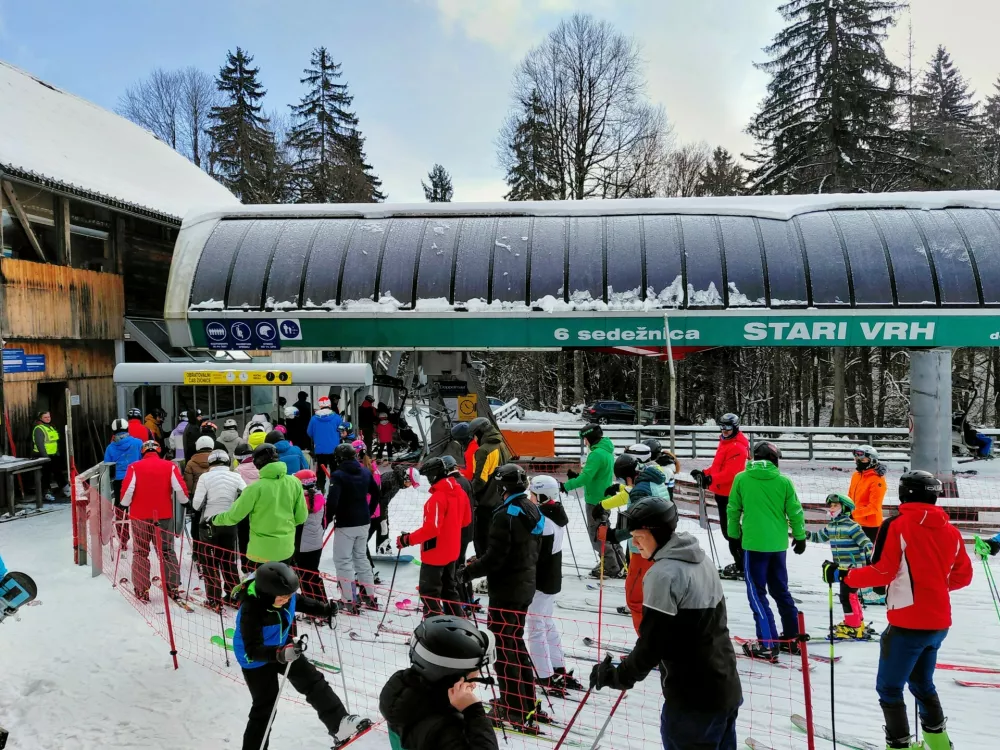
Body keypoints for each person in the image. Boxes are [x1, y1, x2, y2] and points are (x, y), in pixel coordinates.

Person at [589, 495, 743, 750]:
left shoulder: (663, 574)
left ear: (657, 533)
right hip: (724, 686)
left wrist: (618, 676)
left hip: (692, 700)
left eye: (639, 536)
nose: (635, 544)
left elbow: (652, 644)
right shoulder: (701, 559)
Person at [843, 471, 973, 750]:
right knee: (922, 683)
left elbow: (882, 571)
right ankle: (939, 744)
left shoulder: (897, 525)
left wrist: (847, 576)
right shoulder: (950, 530)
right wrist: (932, 587)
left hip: (907, 624)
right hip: (938, 623)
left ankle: (899, 746)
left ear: (905, 494)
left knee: (889, 688)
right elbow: (963, 576)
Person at [232, 562, 370, 750]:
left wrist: (325, 610)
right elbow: (252, 649)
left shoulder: (286, 597)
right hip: (256, 659)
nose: (287, 600)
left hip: (282, 646)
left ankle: (340, 725)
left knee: (313, 681)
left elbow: (303, 602)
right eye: (282, 597)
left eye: (289, 595)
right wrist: (278, 654)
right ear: (267, 593)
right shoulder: (251, 610)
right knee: (266, 706)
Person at [459, 464, 543, 732]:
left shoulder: (506, 514)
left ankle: (513, 706)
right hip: (524, 585)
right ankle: (524, 700)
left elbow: (496, 557)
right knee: (514, 643)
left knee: (504, 647)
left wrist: (468, 572)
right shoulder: (530, 507)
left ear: (502, 487)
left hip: (508, 589)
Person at [727, 442, 807, 661]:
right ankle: (791, 638)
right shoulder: (783, 481)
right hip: (778, 545)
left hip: (754, 545)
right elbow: (796, 512)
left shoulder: (742, 478)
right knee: (781, 590)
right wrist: (800, 537)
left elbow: (733, 509)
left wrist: (733, 536)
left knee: (757, 594)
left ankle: (767, 644)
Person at [380, 615, 500, 750]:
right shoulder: (447, 729)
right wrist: (474, 712)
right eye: (475, 672)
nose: (475, 683)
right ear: (454, 677)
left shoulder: (403, 694)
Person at [524, 475, 581, 697]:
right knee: (546, 623)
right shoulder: (555, 513)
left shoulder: (544, 522)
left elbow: (536, 554)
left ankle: (544, 674)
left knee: (536, 626)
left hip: (541, 579)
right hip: (551, 578)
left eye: (533, 494)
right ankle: (558, 668)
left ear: (542, 496)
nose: (530, 497)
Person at [601, 453, 669, 633]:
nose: (625, 484)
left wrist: (612, 535)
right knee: (655, 599)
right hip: (660, 546)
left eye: (624, 480)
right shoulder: (653, 478)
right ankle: (658, 648)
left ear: (630, 476)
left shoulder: (640, 490)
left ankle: (647, 652)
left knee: (636, 599)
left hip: (644, 550)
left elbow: (637, 521)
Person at [211, 444, 307, 569]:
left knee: (260, 587)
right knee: (281, 585)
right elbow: (301, 517)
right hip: (286, 549)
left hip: (260, 553)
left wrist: (214, 519)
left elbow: (233, 517)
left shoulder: (254, 489)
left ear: (257, 463)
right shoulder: (294, 482)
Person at [398, 457, 471, 617]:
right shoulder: (460, 492)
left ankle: (434, 627)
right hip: (452, 550)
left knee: (429, 592)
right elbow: (466, 520)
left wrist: (406, 540)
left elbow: (431, 529)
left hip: (435, 553)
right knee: (449, 589)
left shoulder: (437, 499)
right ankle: (457, 624)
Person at [120, 440, 188, 602]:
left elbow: (128, 489)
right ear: (159, 451)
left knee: (141, 551)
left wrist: (123, 504)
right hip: (163, 514)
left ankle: (142, 588)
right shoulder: (169, 466)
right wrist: (185, 501)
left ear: (143, 452)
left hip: (140, 515)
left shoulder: (134, 467)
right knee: (166, 550)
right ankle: (172, 586)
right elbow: (179, 487)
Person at [692, 413, 750, 580]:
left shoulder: (737, 447)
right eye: (722, 427)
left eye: (728, 427)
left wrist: (710, 479)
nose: (724, 431)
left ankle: (744, 565)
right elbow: (719, 467)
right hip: (722, 493)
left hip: (731, 495)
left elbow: (732, 473)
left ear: (735, 427)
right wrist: (704, 473)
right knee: (729, 532)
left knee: (731, 532)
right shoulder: (725, 443)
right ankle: (742, 563)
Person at [810, 493, 874, 640]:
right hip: (842, 568)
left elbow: (866, 542)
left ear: (845, 508)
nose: (832, 508)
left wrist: (871, 556)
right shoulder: (831, 526)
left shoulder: (851, 526)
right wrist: (800, 534)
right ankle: (856, 623)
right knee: (850, 596)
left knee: (847, 596)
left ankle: (853, 627)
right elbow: (817, 537)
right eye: (830, 506)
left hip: (853, 568)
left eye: (835, 505)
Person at [326, 443, 381, 612]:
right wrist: (369, 511)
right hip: (363, 521)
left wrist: (327, 519)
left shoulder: (338, 475)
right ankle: (370, 596)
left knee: (343, 561)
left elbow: (333, 501)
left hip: (346, 523)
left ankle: (349, 599)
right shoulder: (365, 471)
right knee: (361, 559)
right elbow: (377, 492)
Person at [562, 423, 619, 579]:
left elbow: (587, 477)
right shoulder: (606, 451)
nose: (585, 442)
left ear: (590, 438)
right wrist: (577, 477)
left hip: (595, 500)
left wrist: (566, 486)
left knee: (597, 535)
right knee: (605, 531)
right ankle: (617, 562)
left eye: (585, 439)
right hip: (604, 497)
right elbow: (594, 474)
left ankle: (609, 565)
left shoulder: (596, 454)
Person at [191, 449, 246, 608]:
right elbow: (246, 495)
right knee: (228, 561)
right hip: (230, 523)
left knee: (209, 562)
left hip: (209, 524)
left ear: (210, 463)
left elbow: (196, 505)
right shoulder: (236, 476)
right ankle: (234, 596)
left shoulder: (205, 477)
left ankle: (214, 599)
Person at [468, 416, 513, 557]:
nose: (474, 439)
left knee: (481, 536)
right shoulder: (502, 445)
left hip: (486, 502)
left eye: (474, 435)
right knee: (498, 535)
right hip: (502, 498)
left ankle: (484, 563)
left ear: (480, 432)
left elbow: (480, 480)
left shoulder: (483, 450)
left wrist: (468, 492)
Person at [104, 418, 143, 550]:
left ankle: (123, 540)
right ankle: (142, 539)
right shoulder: (138, 443)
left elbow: (107, 466)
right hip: (136, 478)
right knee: (139, 509)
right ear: (127, 429)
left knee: (121, 511)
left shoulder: (110, 447)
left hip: (119, 481)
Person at [293, 469, 328, 602]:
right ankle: (323, 604)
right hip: (316, 542)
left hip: (302, 545)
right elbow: (324, 521)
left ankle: (312, 607)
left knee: (304, 577)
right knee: (313, 574)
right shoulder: (320, 497)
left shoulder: (298, 502)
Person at [443, 456, 474, 567]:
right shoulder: (465, 480)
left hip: (457, 528)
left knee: (453, 559)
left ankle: (454, 581)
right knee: (460, 556)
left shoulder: (452, 483)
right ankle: (460, 580)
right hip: (468, 527)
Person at [308, 395, 343, 493]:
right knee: (334, 469)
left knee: (321, 471)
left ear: (320, 406)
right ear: (330, 405)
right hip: (334, 449)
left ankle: (320, 489)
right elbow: (342, 431)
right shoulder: (336, 417)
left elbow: (309, 432)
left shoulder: (314, 419)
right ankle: (334, 488)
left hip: (320, 449)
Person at [233, 442, 258, 573]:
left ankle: (246, 566)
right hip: (261, 511)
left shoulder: (237, 472)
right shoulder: (262, 468)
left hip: (244, 511)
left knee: (244, 538)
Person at [32, 410, 68, 500]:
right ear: (40, 418)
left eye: (49, 417)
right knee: (46, 474)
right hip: (43, 456)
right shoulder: (39, 429)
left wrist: (57, 452)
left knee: (58, 472)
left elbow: (53, 442)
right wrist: (45, 457)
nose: (48, 419)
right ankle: (46, 492)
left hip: (53, 454)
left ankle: (65, 489)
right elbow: (40, 444)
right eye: (45, 417)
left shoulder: (51, 427)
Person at [184, 435, 215, 500]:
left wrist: (189, 493)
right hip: (213, 492)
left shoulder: (191, 463)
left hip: (196, 493)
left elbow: (188, 481)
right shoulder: (217, 462)